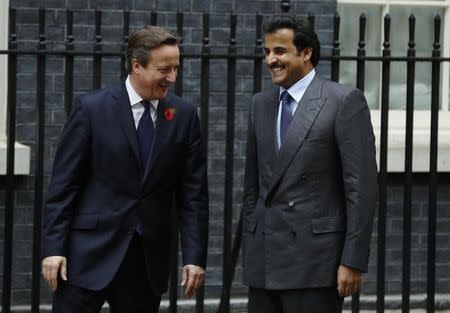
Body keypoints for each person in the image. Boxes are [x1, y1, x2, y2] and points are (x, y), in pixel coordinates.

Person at [41, 26, 209, 313]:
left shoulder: (183, 116)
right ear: (136, 66)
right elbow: (64, 186)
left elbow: (193, 195)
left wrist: (194, 256)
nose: (172, 77)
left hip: (145, 262)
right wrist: (54, 249)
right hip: (86, 255)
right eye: (164, 69)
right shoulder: (92, 109)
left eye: (176, 68)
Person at [242, 15, 378, 313]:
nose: (270, 60)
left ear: (306, 53)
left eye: (279, 51)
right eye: (267, 52)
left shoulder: (342, 101)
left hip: (316, 265)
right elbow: (253, 187)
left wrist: (352, 260)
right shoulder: (260, 104)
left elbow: (361, 188)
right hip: (264, 263)